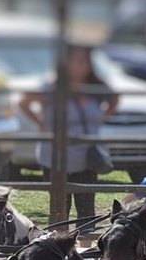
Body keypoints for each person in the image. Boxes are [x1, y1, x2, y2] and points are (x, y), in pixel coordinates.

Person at [17, 45, 118, 222]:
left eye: (84, 61)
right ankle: (60, 246)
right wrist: (41, 123)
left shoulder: (96, 86)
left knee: (86, 210)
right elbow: (24, 102)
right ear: (65, 62)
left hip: (86, 157)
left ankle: (86, 248)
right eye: (76, 60)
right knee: (59, 209)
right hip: (55, 157)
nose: (80, 65)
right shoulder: (52, 86)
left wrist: (101, 117)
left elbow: (115, 99)